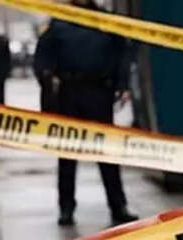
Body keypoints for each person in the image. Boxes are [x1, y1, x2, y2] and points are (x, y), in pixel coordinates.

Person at [34, 0, 135, 227]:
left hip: (99, 92)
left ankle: (118, 205)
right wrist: (47, 78)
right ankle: (66, 208)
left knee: (106, 153)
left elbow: (123, 53)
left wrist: (122, 84)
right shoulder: (60, 21)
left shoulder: (105, 21)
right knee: (68, 154)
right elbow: (42, 56)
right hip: (70, 93)